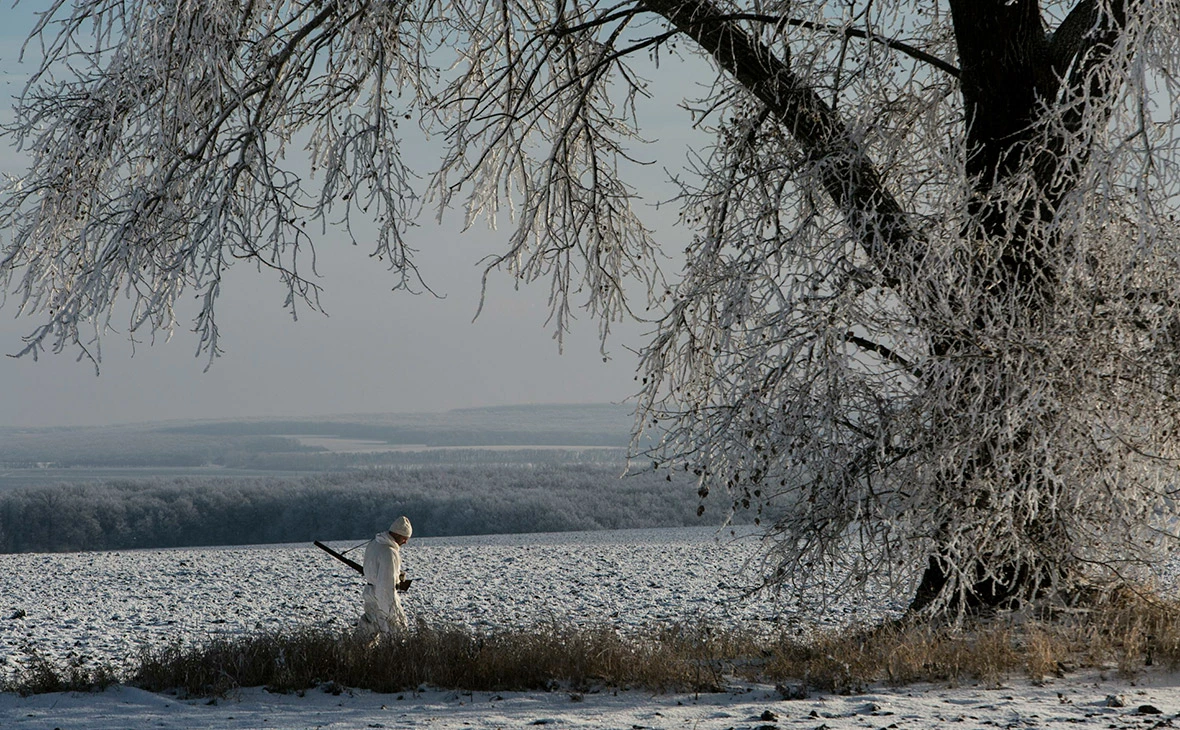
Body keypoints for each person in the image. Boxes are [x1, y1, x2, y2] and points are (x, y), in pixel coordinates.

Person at [357, 515, 412, 637]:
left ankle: (351, 654)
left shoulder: (374, 544)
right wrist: (391, 611)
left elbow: (375, 570)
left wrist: (398, 574)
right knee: (397, 632)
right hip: (382, 597)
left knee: (367, 633)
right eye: (405, 538)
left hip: (370, 594)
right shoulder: (390, 553)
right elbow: (386, 585)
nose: (406, 542)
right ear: (398, 535)